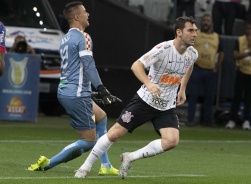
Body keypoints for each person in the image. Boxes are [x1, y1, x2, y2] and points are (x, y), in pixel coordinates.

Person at [74, 16, 198, 179]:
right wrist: (148, 83)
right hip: (144, 101)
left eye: (196, 30)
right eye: (191, 30)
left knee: (171, 141)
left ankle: (130, 157)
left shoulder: (193, 53)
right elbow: (136, 65)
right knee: (114, 134)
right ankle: (85, 167)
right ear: (179, 32)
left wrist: (182, 89)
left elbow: (189, 66)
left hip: (166, 106)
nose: (195, 34)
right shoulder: (163, 49)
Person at [27, 1, 119, 175]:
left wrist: (89, 91)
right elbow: (88, 65)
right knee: (88, 141)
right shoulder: (84, 37)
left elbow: (74, 69)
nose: (88, 14)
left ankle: (105, 166)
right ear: (77, 17)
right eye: (85, 12)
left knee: (101, 117)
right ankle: (47, 164)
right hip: (76, 94)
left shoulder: (66, 38)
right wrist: (101, 89)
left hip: (67, 90)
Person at [186, 14, 224, 127]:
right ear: (201, 22)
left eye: (208, 20)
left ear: (212, 23)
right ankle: (190, 119)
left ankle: (207, 120)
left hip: (210, 70)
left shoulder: (217, 37)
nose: (206, 22)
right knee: (193, 95)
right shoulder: (195, 34)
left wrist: (217, 66)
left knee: (209, 96)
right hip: (197, 68)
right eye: (204, 20)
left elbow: (221, 53)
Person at [225, 21, 251, 130]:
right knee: (237, 97)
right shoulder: (240, 39)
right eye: (247, 28)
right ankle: (232, 120)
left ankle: (247, 120)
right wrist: (249, 53)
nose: (249, 31)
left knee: (249, 98)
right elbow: (236, 55)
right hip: (241, 70)